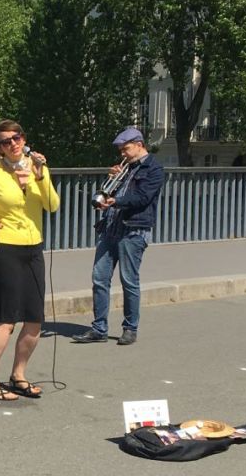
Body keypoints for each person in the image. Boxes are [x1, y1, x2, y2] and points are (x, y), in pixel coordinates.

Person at [0, 119, 60, 401]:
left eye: (17, 137)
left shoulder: (37, 168)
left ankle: (18, 375)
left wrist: (41, 176)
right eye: (6, 142)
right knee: (6, 320)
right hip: (6, 247)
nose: (14, 144)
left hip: (34, 247)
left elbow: (52, 205)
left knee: (34, 320)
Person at [72, 128, 164, 346]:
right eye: (121, 149)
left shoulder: (154, 168)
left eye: (126, 148)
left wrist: (116, 201)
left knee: (129, 280)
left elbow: (143, 198)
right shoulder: (124, 168)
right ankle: (99, 328)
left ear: (139, 144)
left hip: (134, 230)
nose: (122, 153)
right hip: (111, 228)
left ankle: (130, 328)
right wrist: (110, 185)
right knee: (99, 278)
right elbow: (109, 193)